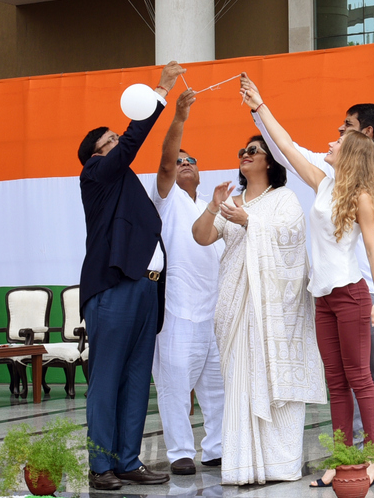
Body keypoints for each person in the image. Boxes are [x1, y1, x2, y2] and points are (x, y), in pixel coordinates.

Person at [247, 81, 374, 479]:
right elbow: (286, 145)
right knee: (336, 381)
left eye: (340, 137)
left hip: (355, 294)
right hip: (323, 296)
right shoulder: (324, 183)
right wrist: (260, 106)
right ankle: (345, 457)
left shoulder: (362, 196)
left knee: (364, 376)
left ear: (356, 147)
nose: (332, 139)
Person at [190, 135, 325, 485]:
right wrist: (214, 205)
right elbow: (202, 237)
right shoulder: (230, 202)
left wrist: (250, 221)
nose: (245, 155)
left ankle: (280, 464)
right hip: (235, 307)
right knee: (239, 382)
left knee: (271, 383)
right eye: (242, 152)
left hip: (274, 311)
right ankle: (241, 465)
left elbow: (291, 239)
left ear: (269, 162)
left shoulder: (284, 199)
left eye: (253, 151)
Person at [77, 61, 184, 489]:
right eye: (110, 141)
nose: (118, 142)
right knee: (107, 379)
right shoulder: (96, 175)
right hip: (113, 288)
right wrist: (161, 92)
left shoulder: (124, 182)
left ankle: (128, 460)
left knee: (138, 379)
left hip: (146, 291)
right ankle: (101, 465)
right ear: (97, 156)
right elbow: (133, 141)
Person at [150, 88, 225, 475]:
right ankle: (180, 451)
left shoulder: (210, 207)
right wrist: (178, 118)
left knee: (218, 388)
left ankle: (215, 449)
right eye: (178, 160)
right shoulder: (166, 199)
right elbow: (164, 165)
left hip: (214, 313)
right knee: (175, 386)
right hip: (177, 310)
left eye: (190, 160)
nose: (183, 163)